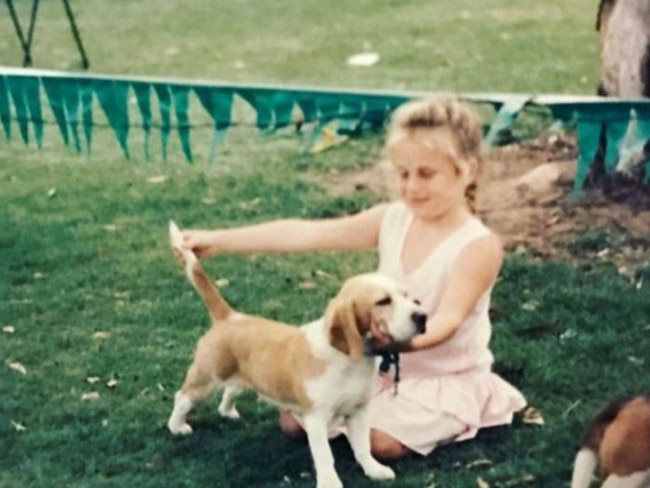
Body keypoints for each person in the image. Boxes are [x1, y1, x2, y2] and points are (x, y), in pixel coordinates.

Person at [179, 96, 527, 460]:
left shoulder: (476, 245)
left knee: (381, 444)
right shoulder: (393, 218)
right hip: (376, 367)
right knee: (294, 422)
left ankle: (440, 416)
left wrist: (399, 345)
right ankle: (364, 409)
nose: (411, 187)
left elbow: (446, 322)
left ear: (467, 171)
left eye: (426, 174)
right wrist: (219, 241)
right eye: (403, 173)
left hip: (441, 375)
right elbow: (308, 234)